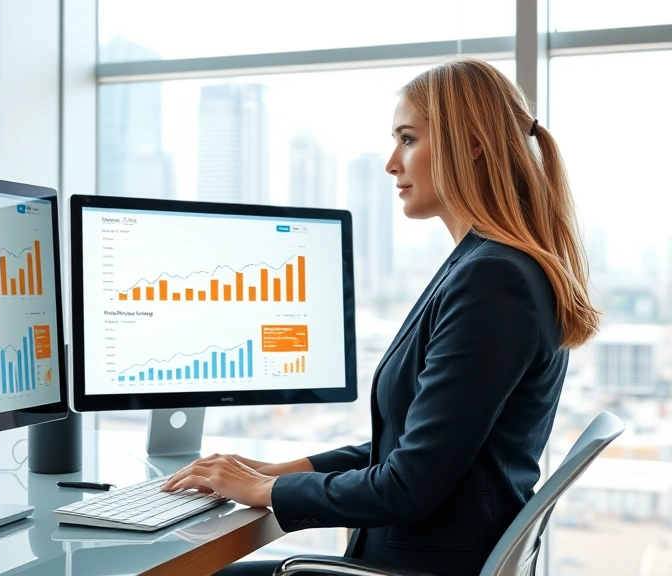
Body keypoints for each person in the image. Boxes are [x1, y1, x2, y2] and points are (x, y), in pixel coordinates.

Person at [160, 57, 601, 576]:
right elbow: (415, 444)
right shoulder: (485, 265)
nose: (392, 162)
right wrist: (278, 472)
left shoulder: (493, 280)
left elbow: (409, 485)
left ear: (472, 143)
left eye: (408, 138)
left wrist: (266, 490)